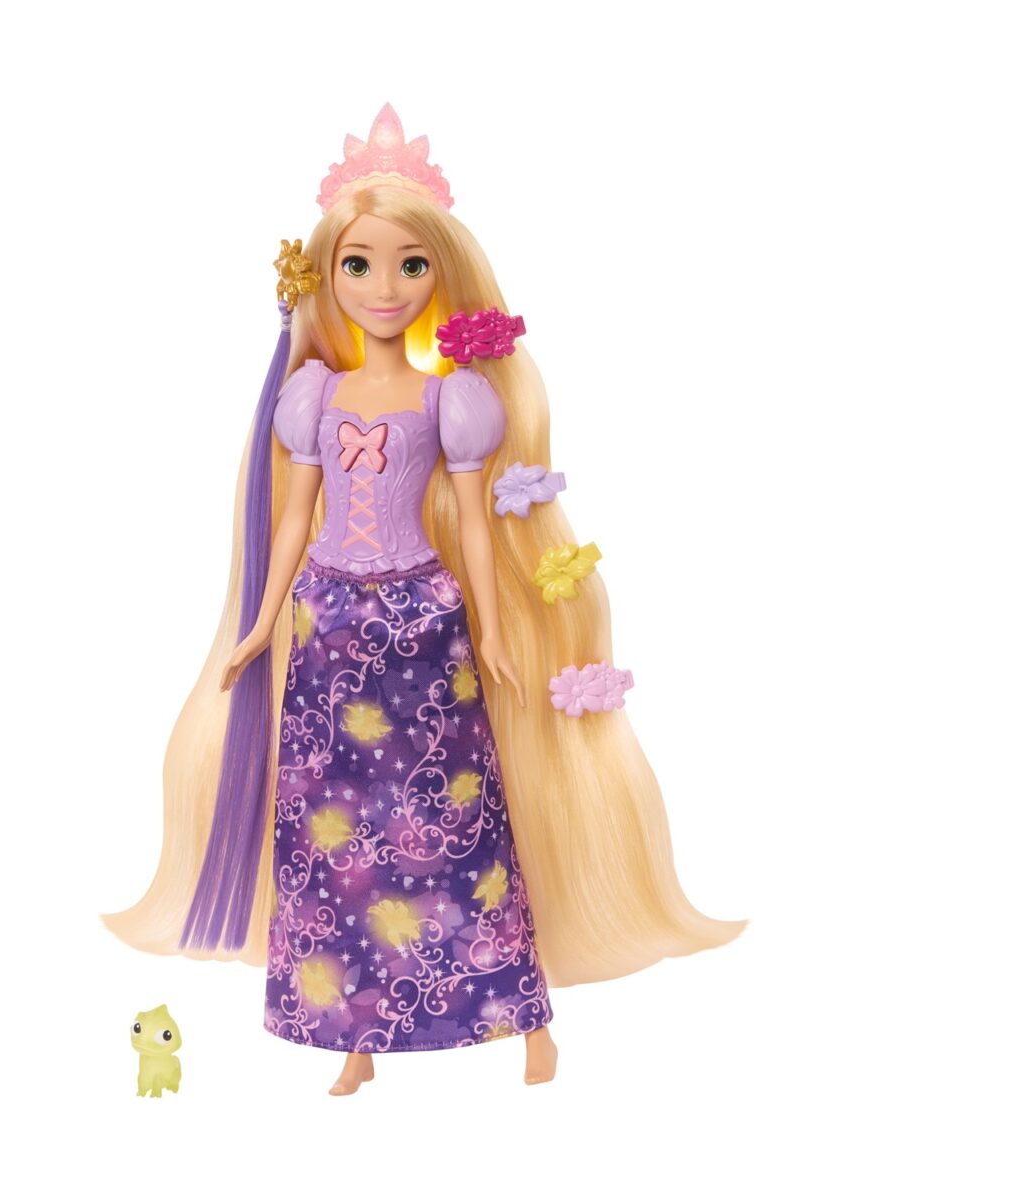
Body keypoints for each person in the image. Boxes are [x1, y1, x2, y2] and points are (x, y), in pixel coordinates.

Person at [102, 103, 747, 1096]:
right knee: (334, 840)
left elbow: (476, 525)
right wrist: (263, 619)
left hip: (425, 627)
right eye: (359, 265)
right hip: (326, 625)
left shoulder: (452, 398)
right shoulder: (315, 395)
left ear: (439, 273)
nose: (384, 287)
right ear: (327, 276)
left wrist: (492, 630)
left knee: (460, 826)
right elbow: (292, 517)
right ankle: (357, 1036)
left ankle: (526, 1022)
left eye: (409, 265)